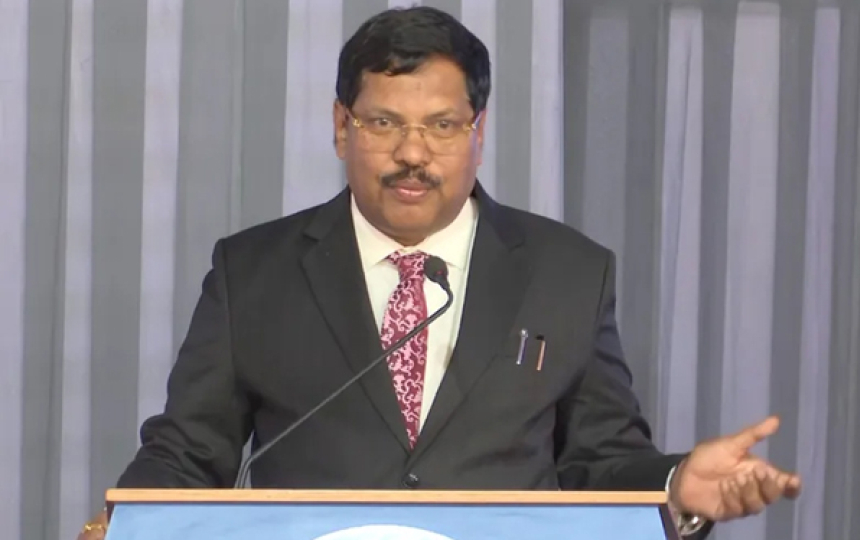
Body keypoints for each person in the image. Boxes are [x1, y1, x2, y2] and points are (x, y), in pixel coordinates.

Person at [77, 6, 800, 539]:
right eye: (384, 123)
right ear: (341, 127)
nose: (413, 153)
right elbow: (187, 452)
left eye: (443, 126)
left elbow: (603, 463)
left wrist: (676, 487)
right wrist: (128, 524)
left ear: (478, 132)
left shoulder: (568, 273)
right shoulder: (253, 271)